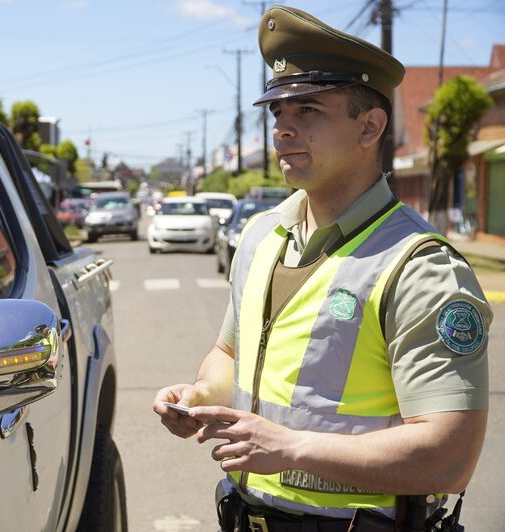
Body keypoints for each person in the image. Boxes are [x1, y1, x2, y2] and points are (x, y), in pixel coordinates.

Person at [153, 6, 490, 531]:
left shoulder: (420, 267)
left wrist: (292, 448)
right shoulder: (262, 235)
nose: (282, 129)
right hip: (245, 516)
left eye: (307, 110)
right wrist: (200, 396)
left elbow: (450, 457)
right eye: (277, 112)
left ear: (370, 127)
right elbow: (229, 354)